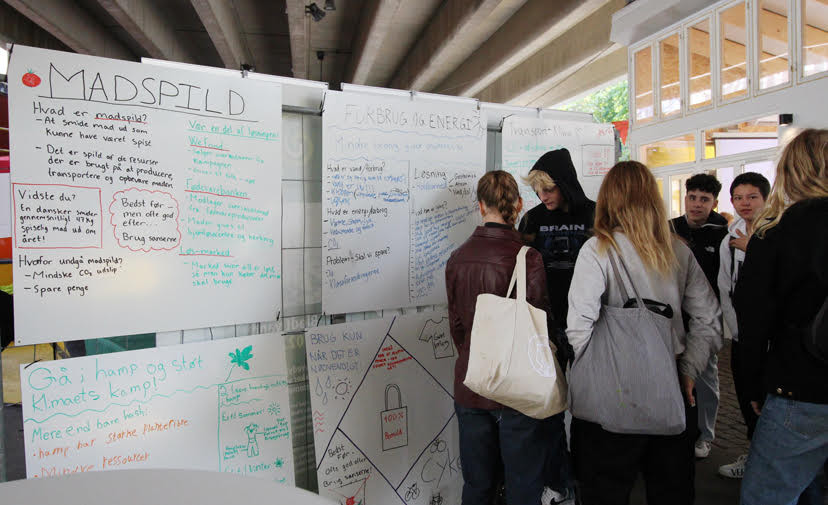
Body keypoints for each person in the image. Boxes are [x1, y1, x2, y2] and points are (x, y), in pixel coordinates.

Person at [567, 161, 722, 505]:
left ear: (608, 199)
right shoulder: (677, 249)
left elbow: (579, 326)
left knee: (604, 491)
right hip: (672, 386)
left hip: (611, 396)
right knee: (671, 490)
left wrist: (595, 373)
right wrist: (688, 370)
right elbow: (709, 318)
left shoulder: (598, 250)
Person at [446, 170, 564, 505]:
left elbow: (456, 326)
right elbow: (540, 325)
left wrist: (477, 357)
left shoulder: (457, 258)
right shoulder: (530, 258)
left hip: (472, 383)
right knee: (523, 484)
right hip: (518, 390)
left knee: (477, 483)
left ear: (480, 206)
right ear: (520, 204)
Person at [736, 129, 828, 505]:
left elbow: (753, 323)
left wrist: (751, 390)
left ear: (790, 170)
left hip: (798, 388)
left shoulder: (774, 234)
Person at [518, 148, 587, 503]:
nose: (543, 197)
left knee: (589, 408)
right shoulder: (530, 220)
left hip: (593, 325)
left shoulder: (596, 213)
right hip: (545, 328)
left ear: (566, 184)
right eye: (538, 191)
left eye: (549, 189)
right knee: (553, 409)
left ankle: (587, 477)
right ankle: (561, 481)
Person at [669, 173, 729, 459]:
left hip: (705, 321)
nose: (696, 204)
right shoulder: (669, 228)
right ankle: (678, 428)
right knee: (674, 376)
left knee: (706, 379)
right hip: (675, 317)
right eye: (692, 197)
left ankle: (706, 435)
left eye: (704, 199)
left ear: (714, 202)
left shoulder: (724, 233)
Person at [715, 172, 770, 479]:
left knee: (769, 402)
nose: (745, 203)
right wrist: (735, 331)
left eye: (752, 197)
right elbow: (725, 287)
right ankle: (754, 453)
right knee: (747, 398)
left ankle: (768, 461)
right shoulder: (730, 239)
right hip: (741, 336)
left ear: (765, 199)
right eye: (738, 198)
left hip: (771, 338)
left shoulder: (773, 236)